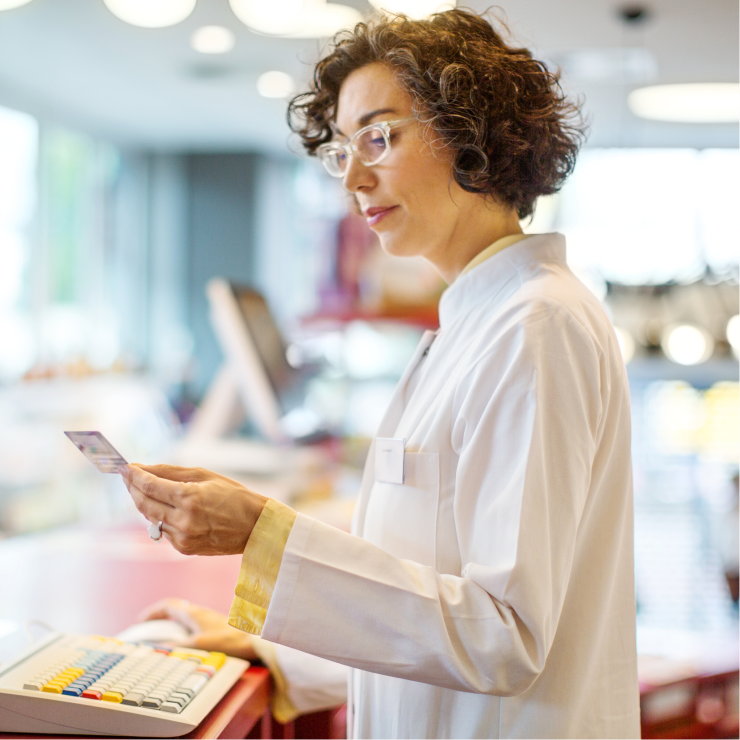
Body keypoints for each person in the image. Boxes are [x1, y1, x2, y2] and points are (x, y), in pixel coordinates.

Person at [120, 9, 640, 739]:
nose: (355, 178)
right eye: (343, 151)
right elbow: (427, 600)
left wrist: (268, 536)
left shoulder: (535, 327)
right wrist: (284, 657)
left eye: (379, 137)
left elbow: (505, 636)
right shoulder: (474, 324)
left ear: (471, 133)